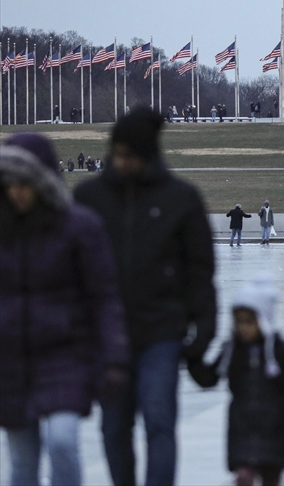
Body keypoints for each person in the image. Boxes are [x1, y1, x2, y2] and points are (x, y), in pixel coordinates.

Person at [74, 107, 217, 486]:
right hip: (109, 333)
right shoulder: (89, 197)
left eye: (129, 155)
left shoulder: (180, 198)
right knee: (113, 427)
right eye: (116, 153)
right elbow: (73, 270)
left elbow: (200, 271)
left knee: (159, 420)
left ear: (147, 155)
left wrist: (203, 330)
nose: (120, 162)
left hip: (162, 330)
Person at [1, 133, 130, 486]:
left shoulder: (79, 227)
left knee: (62, 441)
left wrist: (115, 357)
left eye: (25, 183)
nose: (17, 193)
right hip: (11, 358)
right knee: (22, 460)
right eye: (10, 184)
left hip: (65, 353)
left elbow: (103, 296)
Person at [189, 273, 284, 486]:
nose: (243, 328)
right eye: (239, 322)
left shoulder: (279, 353)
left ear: (264, 320)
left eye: (249, 322)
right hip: (242, 431)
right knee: (243, 478)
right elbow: (208, 378)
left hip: (275, 432)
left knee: (271, 479)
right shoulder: (231, 351)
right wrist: (192, 359)